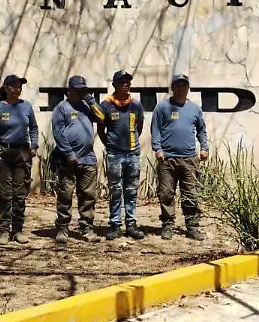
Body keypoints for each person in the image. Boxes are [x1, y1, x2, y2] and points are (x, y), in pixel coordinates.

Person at [151, 73, 210, 241]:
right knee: (167, 194)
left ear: (188, 88)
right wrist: (157, 148)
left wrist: (204, 148)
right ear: (172, 88)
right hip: (167, 159)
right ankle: (168, 226)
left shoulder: (194, 109)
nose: (181, 88)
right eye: (177, 85)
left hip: (189, 159)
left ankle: (192, 227)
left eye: (184, 85)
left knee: (190, 194)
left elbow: (201, 130)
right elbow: (155, 129)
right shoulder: (162, 107)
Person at [49, 75, 106, 244]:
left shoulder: (87, 106)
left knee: (88, 195)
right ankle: (62, 228)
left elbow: (102, 117)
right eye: (78, 89)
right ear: (69, 90)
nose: (81, 92)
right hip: (68, 160)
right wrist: (69, 153)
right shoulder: (62, 108)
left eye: (83, 89)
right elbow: (58, 133)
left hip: (88, 158)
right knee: (65, 195)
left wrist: (90, 99)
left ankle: (86, 228)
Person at [0, 74, 39, 245]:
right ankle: (3, 230)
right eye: (14, 86)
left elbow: (33, 128)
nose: (17, 89)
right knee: (4, 194)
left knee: (20, 193)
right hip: (3, 152)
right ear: (6, 88)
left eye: (19, 86)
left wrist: (34, 146)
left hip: (22, 153)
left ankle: (17, 229)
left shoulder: (26, 107)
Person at [97, 70, 146, 241]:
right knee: (115, 191)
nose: (126, 85)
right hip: (114, 155)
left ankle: (131, 225)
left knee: (131, 191)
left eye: (128, 82)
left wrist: (131, 144)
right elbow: (101, 130)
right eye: (122, 82)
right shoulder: (106, 105)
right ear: (114, 85)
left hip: (133, 154)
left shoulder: (136, 105)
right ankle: (115, 225)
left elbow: (139, 127)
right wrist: (110, 145)